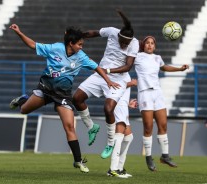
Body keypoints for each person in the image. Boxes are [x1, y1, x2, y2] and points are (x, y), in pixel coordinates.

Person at [8, 24, 119, 173]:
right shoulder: (55, 48)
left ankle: (78, 161)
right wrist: (19, 32)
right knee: (23, 110)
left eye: (82, 44)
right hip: (45, 90)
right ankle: (23, 100)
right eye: (79, 44)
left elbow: (97, 67)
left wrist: (108, 81)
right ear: (71, 43)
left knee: (69, 126)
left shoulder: (81, 57)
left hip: (63, 96)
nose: (81, 47)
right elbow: (32, 45)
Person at [72, 10, 139, 159]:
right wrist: (79, 35)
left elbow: (128, 66)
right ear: (119, 36)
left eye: (126, 44)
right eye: (122, 42)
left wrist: (108, 70)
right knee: (76, 98)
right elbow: (93, 33)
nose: (123, 45)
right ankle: (91, 127)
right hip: (100, 75)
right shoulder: (112, 32)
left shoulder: (134, 44)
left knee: (108, 109)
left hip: (118, 79)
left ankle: (110, 143)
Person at [134, 36, 189, 171]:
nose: (150, 45)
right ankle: (148, 157)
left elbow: (164, 68)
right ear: (143, 45)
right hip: (145, 92)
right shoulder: (137, 56)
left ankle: (165, 156)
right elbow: (126, 63)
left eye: (152, 43)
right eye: (147, 43)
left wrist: (180, 69)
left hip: (157, 93)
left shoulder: (157, 58)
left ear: (155, 46)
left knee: (163, 124)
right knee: (148, 126)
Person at [107, 79, 137, 178]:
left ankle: (119, 168)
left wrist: (127, 103)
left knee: (128, 137)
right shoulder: (117, 69)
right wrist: (130, 84)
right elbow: (113, 86)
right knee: (119, 135)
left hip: (122, 104)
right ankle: (113, 169)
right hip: (118, 105)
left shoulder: (125, 71)